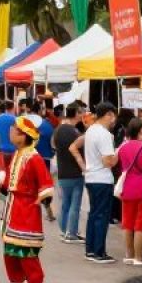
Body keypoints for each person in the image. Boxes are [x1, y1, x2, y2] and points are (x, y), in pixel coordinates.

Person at [0, 116, 54, 283]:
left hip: (27, 211)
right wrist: (2, 186)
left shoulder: (34, 158)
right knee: (10, 254)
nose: (10, 132)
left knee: (26, 254)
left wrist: (44, 199)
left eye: (14, 129)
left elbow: (46, 184)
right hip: (12, 210)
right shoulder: (17, 154)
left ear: (23, 136)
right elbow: (8, 184)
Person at [73, 102, 118, 265]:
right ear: (108, 115)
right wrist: (117, 155)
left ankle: (90, 249)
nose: (114, 120)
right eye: (113, 116)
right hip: (102, 178)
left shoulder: (91, 130)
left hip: (92, 177)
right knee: (101, 216)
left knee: (94, 214)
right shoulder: (104, 134)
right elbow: (108, 161)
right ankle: (99, 252)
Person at [116, 118, 142, 266]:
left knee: (127, 222)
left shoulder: (123, 147)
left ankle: (129, 254)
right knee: (140, 224)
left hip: (127, 187)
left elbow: (120, 164)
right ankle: (138, 257)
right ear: (140, 129)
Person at [54, 104, 85, 243]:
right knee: (75, 205)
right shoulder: (75, 132)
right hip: (75, 171)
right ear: (76, 113)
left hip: (62, 171)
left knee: (65, 203)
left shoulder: (58, 130)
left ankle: (63, 230)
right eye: (81, 112)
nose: (83, 114)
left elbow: (53, 145)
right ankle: (71, 233)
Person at [0, 99, 17, 180]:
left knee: (2, 175)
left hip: (1, 151)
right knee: (13, 174)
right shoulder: (16, 119)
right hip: (14, 151)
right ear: (13, 108)